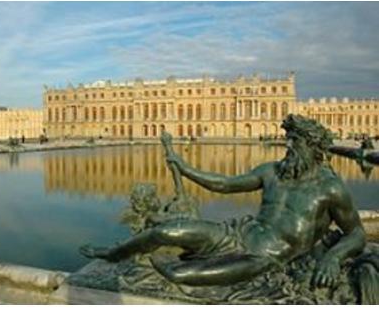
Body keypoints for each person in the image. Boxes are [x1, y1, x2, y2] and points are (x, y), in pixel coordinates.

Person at [80, 114, 366, 288]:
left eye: (295, 142)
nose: (288, 146)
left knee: (179, 275)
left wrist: (332, 257)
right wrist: (183, 165)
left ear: (313, 146)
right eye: (288, 140)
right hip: (236, 233)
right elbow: (225, 184)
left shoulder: (331, 189)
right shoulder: (272, 171)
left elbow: (356, 233)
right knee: (163, 232)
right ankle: (112, 254)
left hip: (265, 257)